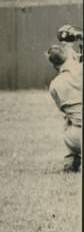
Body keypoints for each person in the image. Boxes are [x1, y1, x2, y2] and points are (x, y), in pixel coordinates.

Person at [46, 43, 81, 173]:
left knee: (69, 117)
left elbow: (63, 108)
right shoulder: (80, 69)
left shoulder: (54, 85)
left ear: (54, 66)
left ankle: (70, 162)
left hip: (76, 140)